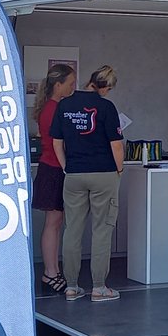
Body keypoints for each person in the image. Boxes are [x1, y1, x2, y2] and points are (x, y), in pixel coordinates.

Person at [51, 66, 124, 302]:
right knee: (102, 230)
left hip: (74, 174)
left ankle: (71, 287)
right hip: (103, 173)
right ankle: (99, 288)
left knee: (72, 230)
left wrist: (66, 166)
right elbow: (116, 145)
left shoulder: (65, 105)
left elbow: (56, 142)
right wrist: (119, 170)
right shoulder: (106, 107)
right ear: (105, 87)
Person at [31, 63, 76, 294]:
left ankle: (53, 271)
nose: (72, 87)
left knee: (55, 223)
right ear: (58, 85)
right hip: (54, 169)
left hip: (53, 168)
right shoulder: (52, 109)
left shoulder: (52, 107)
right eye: (70, 83)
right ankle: (50, 272)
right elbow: (58, 142)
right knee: (53, 223)